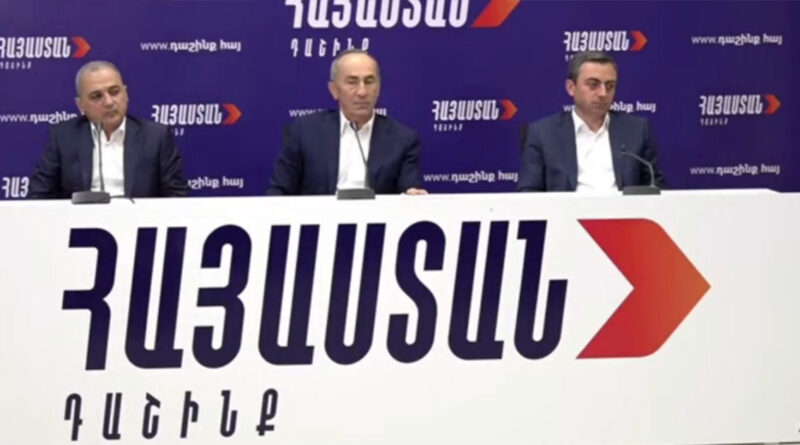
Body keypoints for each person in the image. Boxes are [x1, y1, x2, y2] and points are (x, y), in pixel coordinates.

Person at [267, 49, 425, 195]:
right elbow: (279, 192)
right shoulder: (304, 132)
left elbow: (408, 190)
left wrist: (413, 196)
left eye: (369, 81)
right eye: (352, 82)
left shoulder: (402, 139)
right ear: (334, 90)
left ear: (378, 88)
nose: (362, 92)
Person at [29, 61, 188, 199]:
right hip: (82, 222)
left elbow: (176, 196)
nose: (109, 102)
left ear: (126, 94)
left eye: (114, 92)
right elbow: (39, 195)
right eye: (96, 96)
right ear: (80, 105)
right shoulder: (63, 136)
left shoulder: (156, 137)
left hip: (137, 222)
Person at [518, 51, 664, 192]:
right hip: (568, 209)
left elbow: (656, 188)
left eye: (610, 86)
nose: (603, 93)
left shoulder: (636, 130)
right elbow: (529, 192)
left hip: (623, 209)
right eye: (593, 84)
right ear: (571, 88)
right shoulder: (543, 133)